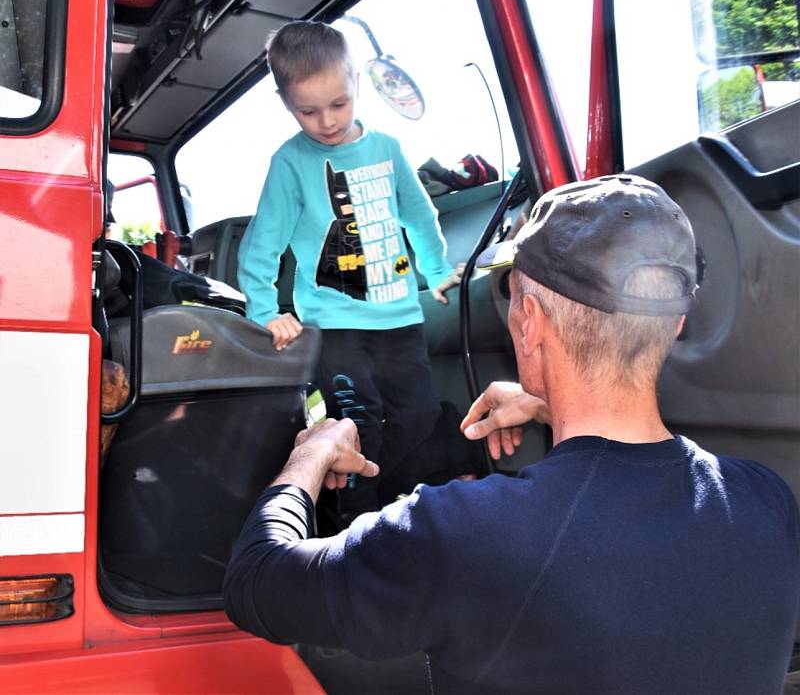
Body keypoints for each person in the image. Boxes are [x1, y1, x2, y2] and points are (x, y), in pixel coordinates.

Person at [224, 174, 800, 693]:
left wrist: (310, 456)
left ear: (528, 324)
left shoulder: (462, 534)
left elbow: (257, 582)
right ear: (674, 324)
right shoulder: (766, 502)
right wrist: (553, 404)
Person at [237, 21, 462, 520]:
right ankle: (350, 523)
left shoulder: (387, 149)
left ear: (356, 81)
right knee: (359, 423)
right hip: (335, 324)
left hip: (400, 318)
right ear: (285, 103)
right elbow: (263, 244)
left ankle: (368, 499)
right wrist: (266, 310)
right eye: (308, 111)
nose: (327, 121)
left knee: (420, 415)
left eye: (338, 104)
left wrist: (437, 268)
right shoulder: (291, 163)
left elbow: (418, 215)